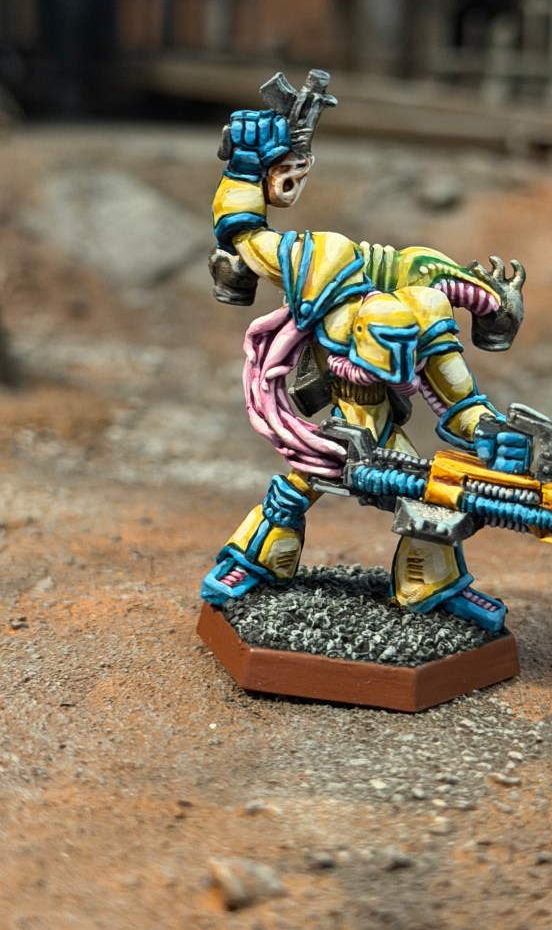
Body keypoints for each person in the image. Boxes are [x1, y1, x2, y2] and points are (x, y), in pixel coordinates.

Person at [201, 71, 527, 632]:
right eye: (374, 346)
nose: (380, 364)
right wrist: (246, 169)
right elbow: (243, 235)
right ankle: (251, 565)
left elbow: (460, 403)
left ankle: (429, 588)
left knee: (435, 503)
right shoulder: (321, 266)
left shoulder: (426, 309)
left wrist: (493, 434)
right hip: (332, 429)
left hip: (383, 435)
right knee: (293, 490)